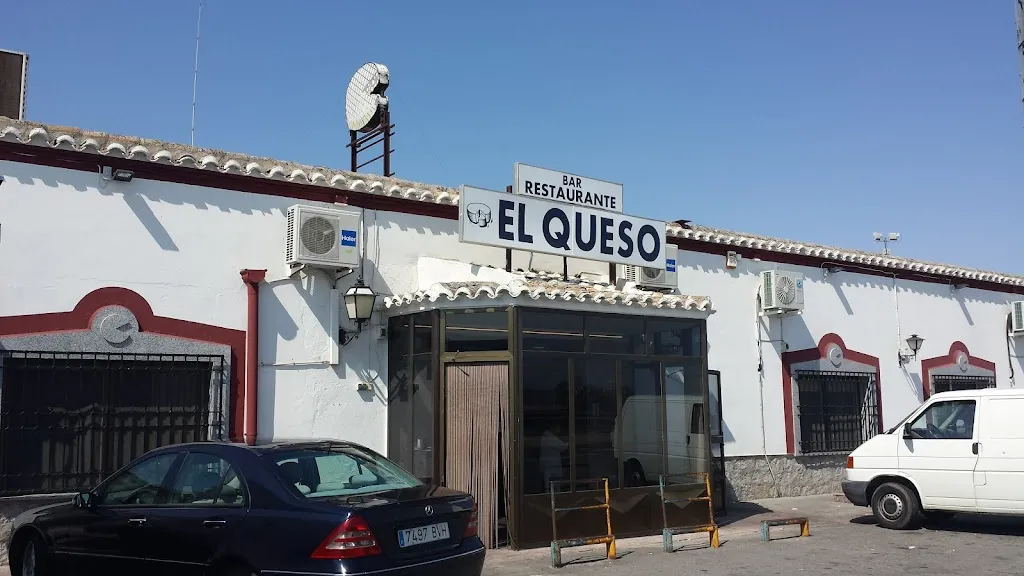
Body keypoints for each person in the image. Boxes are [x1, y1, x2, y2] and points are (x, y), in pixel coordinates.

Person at [540, 421, 568, 493]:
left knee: (548, 485)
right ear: (553, 428)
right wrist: (571, 441)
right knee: (554, 486)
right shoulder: (550, 437)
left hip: (548, 464)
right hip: (552, 464)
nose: (558, 431)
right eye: (557, 429)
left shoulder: (545, 436)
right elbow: (562, 446)